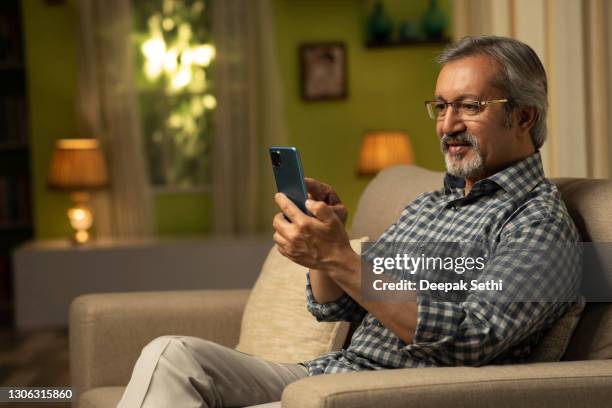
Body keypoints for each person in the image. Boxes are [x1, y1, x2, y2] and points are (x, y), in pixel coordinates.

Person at [117, 35, 580, 407]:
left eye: (470, 106)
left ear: (524, 116)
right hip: (330, 374)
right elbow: (338, 308)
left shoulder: (537, 224)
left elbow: (471, 339)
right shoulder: (429, 205)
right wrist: (327, 251)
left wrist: (341, 258)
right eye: (441, 107)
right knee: (172, 355)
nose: (447, 125)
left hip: (382, 394)